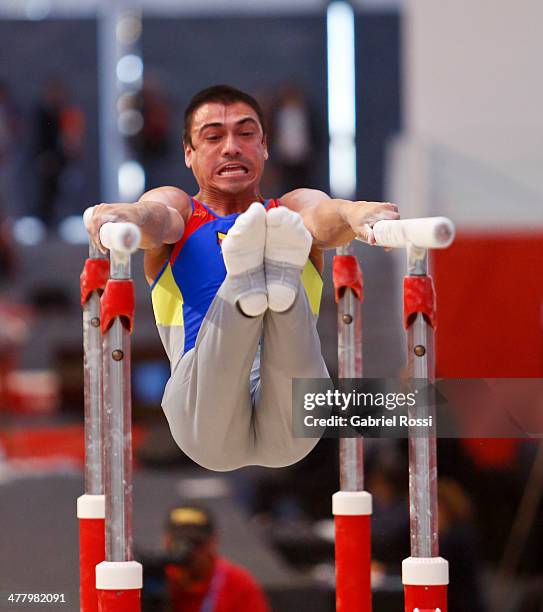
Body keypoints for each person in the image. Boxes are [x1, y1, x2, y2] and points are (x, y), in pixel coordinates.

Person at [87, 84, 399, 471]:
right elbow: (153, 217)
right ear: (189, 152)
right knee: (281, 255)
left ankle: (268, 287)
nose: (231, 146)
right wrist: (126, 217)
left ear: (265, 146)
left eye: (245, 133)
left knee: (292, 255)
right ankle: (252, 285)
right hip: (205, 420)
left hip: (291, 424)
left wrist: (357, 214)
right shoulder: (181, 213)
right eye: (213, 136)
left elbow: (325, 215)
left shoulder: (289, 211)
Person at [161, 504, 270, 612]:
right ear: (166, 541)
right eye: (179, 543)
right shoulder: (157, 577)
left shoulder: (238, 584)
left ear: (213, 542)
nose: (189, 552)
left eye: (196, 543)